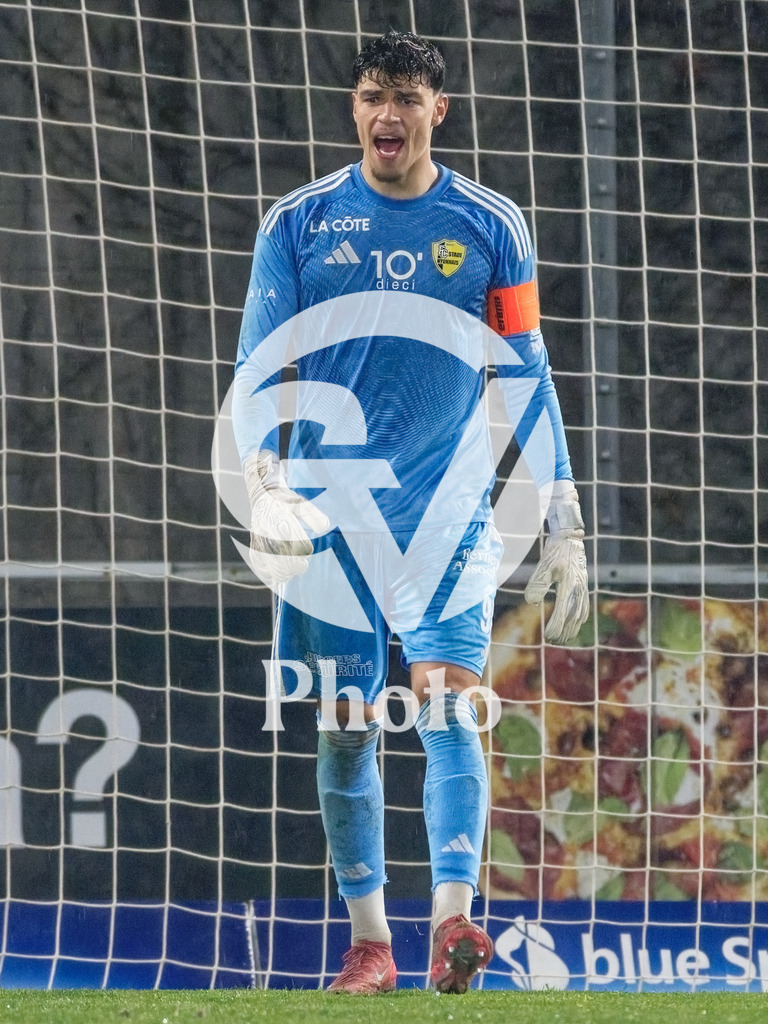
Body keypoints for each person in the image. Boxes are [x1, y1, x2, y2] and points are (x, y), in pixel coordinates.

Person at [232, 30, 589, 994]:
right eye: (371, 97)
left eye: (405, 98)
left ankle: (452, 924)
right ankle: (371, 944)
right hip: (330, 519)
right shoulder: (299, 224)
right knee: (348, 724)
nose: (387, 114)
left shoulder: (490, 224)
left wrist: (561, 514)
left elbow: (527, 372)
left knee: (450, 703)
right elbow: (256, 369)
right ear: (355, 109)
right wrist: (263, 484)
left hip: (447, 514)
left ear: (438, 110)